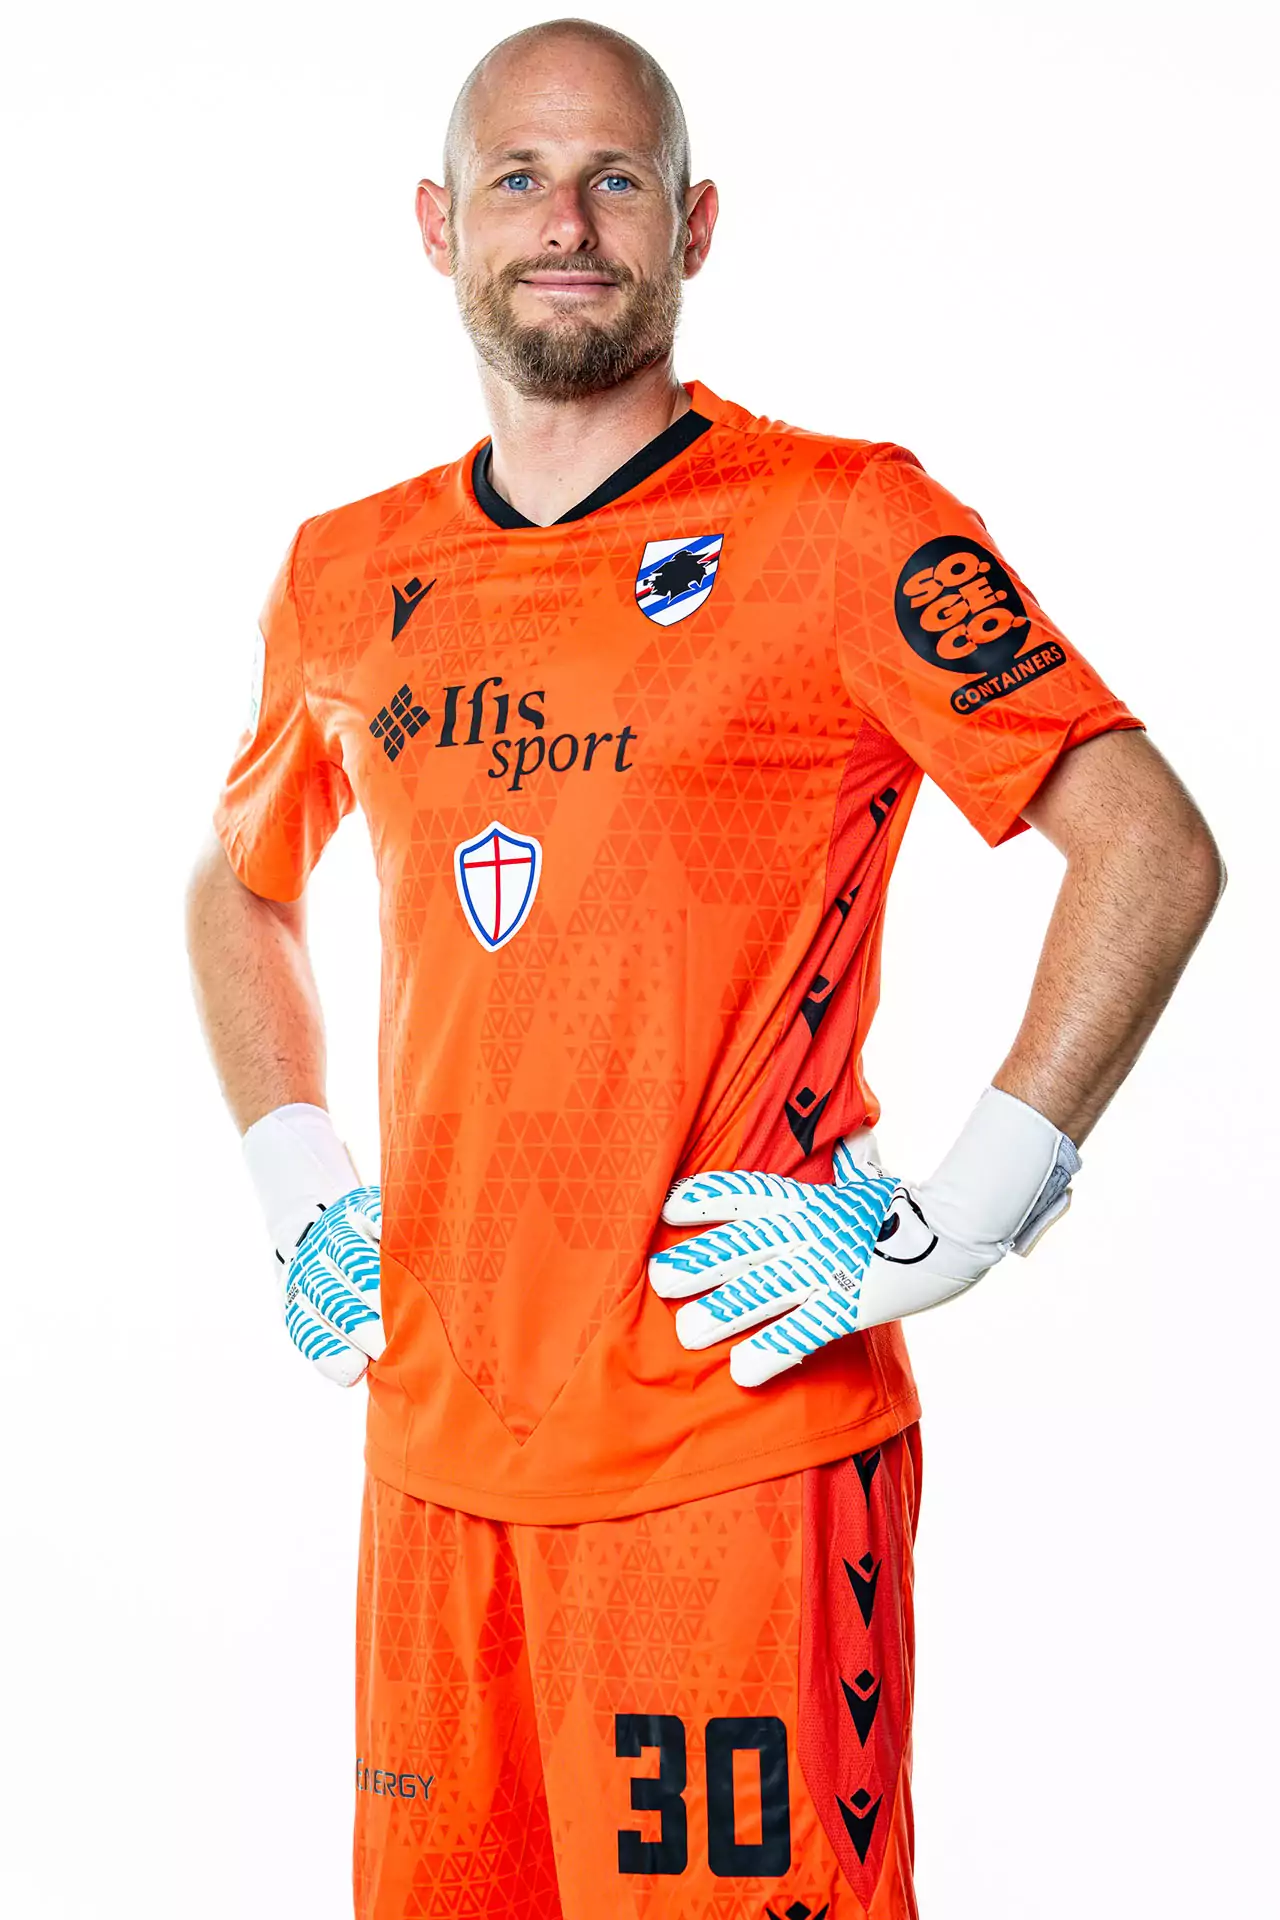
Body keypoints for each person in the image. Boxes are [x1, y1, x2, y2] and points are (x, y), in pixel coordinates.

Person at [185, 18, 1224, 1919]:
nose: (565, 222)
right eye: (517, 177)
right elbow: (235, 884)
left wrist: (969, 1211)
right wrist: (296, 1181)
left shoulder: (843, 524)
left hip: (733, 1455)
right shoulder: (346, 571)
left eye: (617, 179)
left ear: (696, 224)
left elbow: (1150, 849)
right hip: (437, 1467)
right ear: (437, 224)